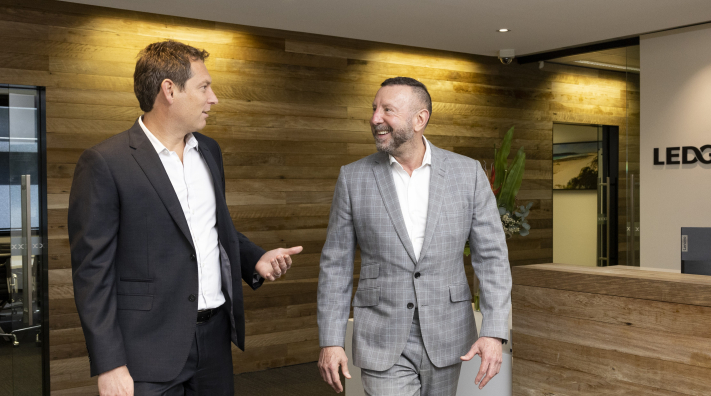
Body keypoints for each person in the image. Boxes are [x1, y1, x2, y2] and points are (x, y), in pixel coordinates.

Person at [68, 40, 302, 396]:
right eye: (204, 86)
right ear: (169, 90)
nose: (214, 98)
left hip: (214, 341)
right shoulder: (105, 162)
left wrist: (255, 259)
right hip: (146, 351)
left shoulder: (209, 151)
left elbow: (211, 230)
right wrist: (110, 364)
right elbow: (92, 273)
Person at [317, 77, 512, 395]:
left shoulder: (467, 173)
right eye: (374, 108)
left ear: (420, 119)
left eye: (387, 110)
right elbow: (335, 265)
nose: (375, 118)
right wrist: (330, 340)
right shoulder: (353, 177)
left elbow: (492, 256)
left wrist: (493, 330)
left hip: (448, 334)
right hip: (382, 335)